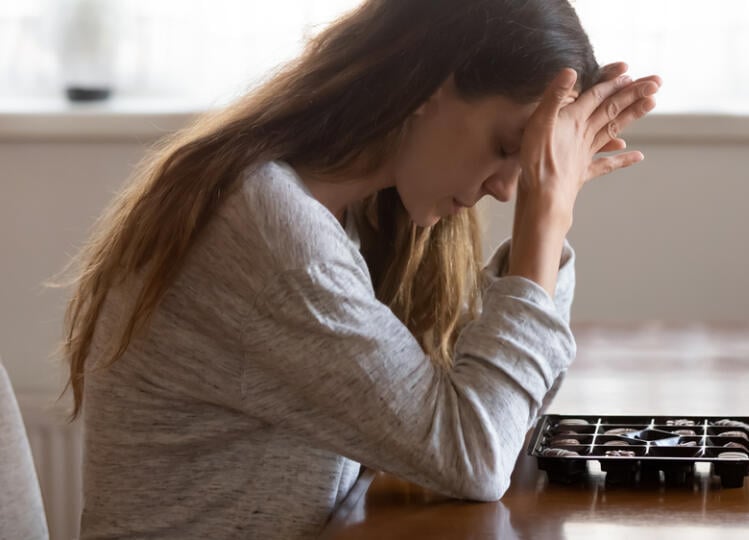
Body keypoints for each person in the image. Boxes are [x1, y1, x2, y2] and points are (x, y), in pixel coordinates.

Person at [60, 0, 660, 538]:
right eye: (509, 147)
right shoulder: (268, 225)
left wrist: (547, 236)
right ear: (428, 84)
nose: (510, 189)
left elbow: (503, 412)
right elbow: (475, 455)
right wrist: (544, 221)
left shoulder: (359, 210)